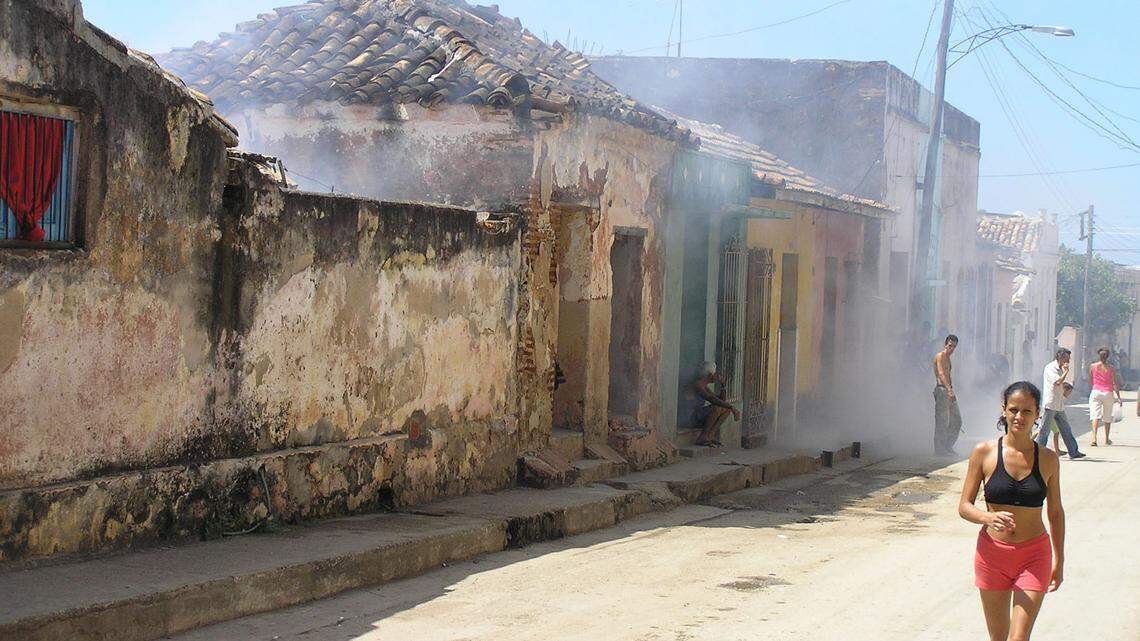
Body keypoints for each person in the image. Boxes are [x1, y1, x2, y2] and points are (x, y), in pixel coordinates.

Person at [959, 381, 1065, 641]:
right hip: (992, 555)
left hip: (1034, 555)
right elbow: (964, 506)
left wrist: (1059, 560)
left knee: (1018, 638)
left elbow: (1055, 513)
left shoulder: (1049, 459)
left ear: (1038, 414)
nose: (1020, 417)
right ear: (1004, 410)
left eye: (1027, 411)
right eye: (1014, 410)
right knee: (998, 638)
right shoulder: (984, 453)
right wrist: (987, 517)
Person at [1035, 349, 1085, 460]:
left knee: (1066, 429)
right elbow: (1057, 382)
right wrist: (1066, 372)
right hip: (1051, 403)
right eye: (1067, 358)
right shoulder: (1051, 368)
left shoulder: (1060, 368)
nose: (1068, 361)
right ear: (1060, 358)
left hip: (1058, 403)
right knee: (1044, 430)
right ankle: (1037, 452)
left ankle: (1073, 451)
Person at [688, 362, 740, 447]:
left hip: (697, 416)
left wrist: (723, 386)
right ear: (710, 375)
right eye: (715, 373)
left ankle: (710, 436)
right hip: (689, 418)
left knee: (726, 410)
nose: (717, 376)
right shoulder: (698, 384)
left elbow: (721, 400)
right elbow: (712, 399)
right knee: (716, 408)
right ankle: (703, 437)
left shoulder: (704, 385)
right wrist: (732, 406)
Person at [933, 334, 963, 456]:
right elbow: (941, 373)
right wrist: (948, 390)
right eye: (950, 346)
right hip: (942, 390)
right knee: (942, 421)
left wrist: (951, 390)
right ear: (945, 344)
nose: (951, 349)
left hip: (948, 391)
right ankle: (940, 450)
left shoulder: (949, 359)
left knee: (957, 420)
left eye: (954, 347)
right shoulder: (940, 356)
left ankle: (947, 446)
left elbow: (948, 375)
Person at [1087, 347, 1122, 447]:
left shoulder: (1092, 366)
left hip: (1096, 392)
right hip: (1108, 393)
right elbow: (1115, 383)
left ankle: (1094, 437)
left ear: (1099, 355)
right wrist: (1118, 397)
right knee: (1107, 417)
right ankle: (1106, 439)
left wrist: (1092, 389)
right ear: (1108, 357)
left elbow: (1090, 380)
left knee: (1095, 416)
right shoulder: (1111, 368)